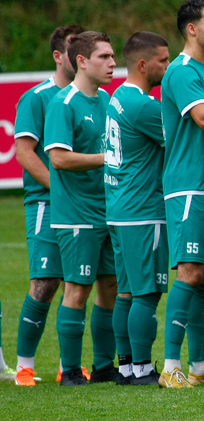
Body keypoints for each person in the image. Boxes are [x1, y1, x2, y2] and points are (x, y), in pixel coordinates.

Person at [44, 31, 119, 386]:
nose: (113, 63)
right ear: (82, 62)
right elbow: (58, 158)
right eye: (104, 57)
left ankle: (104, 365)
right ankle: (71, 369)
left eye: (113, 56)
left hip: (109, 210)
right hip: (76, 214)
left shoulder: (107, 101)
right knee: (77, 288)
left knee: (112, 287)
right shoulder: (64, 103)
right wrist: (107, 158)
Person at [159, 0, 204, 388]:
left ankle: (199, 364)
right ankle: (170, 366)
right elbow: (203, 120)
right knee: (189, 272)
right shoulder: (182, 71)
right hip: (188, 188)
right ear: (191, 29)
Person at [12, 24, 82, 385]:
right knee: (45, 281)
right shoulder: (37, 98)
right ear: (59, 56)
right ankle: (24, 365)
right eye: (75, 48)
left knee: (80, 281)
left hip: (86, 207)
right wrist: (59, 189)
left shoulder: (92, 99)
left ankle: (68, 365)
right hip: (48, 203)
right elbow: (25, 152)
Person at [105, 32, 171, 385]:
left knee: (128, 292)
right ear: (143, 64)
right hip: (143, 210)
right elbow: (182, 138)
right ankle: (143, 369)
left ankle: (127, 365)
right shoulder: (143, 105)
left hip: (120, 209)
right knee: (147, 292)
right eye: (163, 60)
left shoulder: (119, 98)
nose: (168, 65)